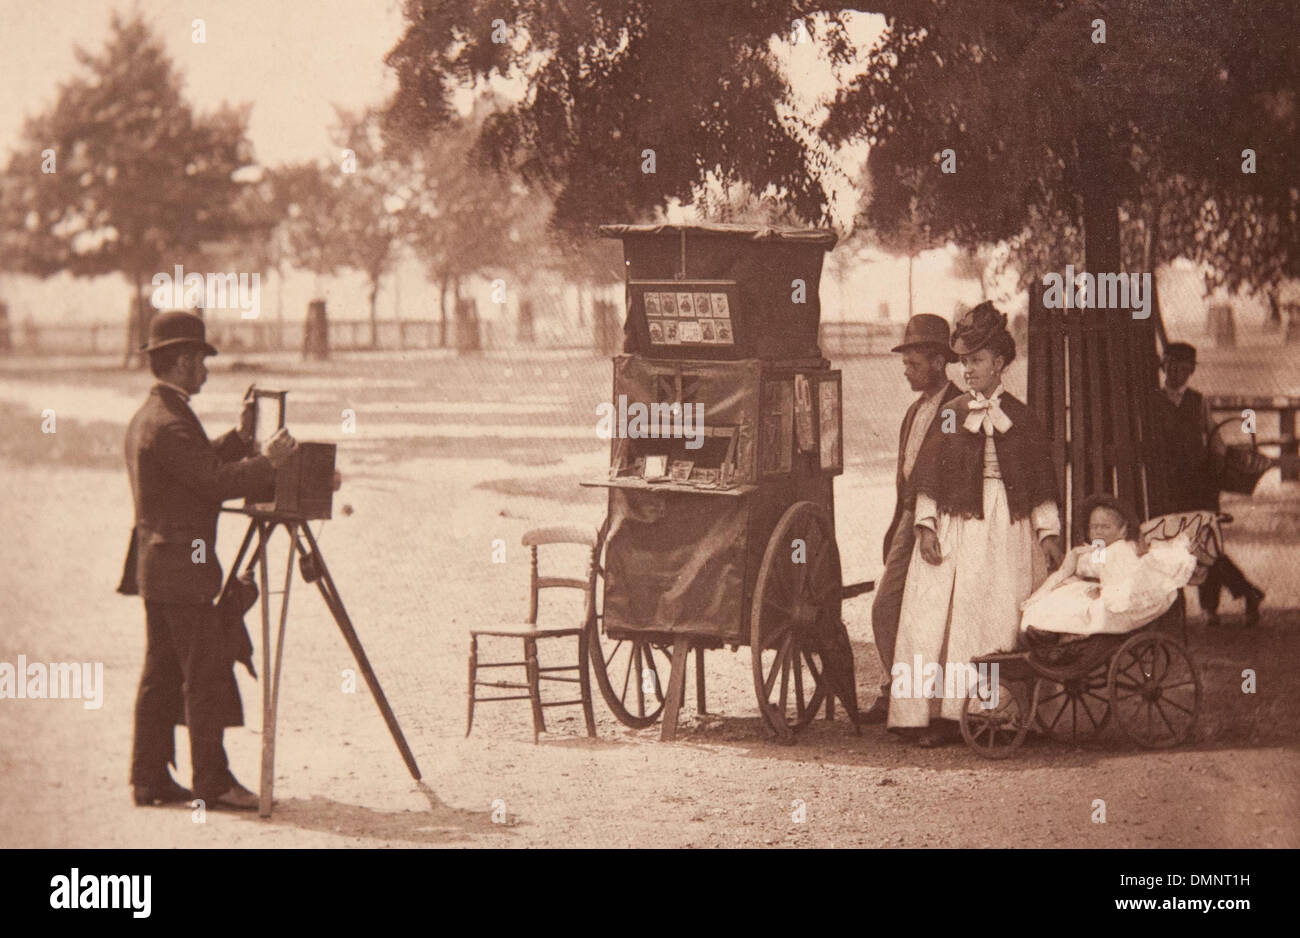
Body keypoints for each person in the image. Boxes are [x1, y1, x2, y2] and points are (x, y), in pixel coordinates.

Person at [117, 311, 298, 809]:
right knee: (205, 671)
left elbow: (195, 466)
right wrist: (269, 463)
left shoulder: (154, 415)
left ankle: (149, 778)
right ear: (178, 362)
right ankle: (213, 782)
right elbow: (213, 483)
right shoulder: (171, 422)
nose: (205, 370)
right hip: (183, 570)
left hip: (158, 568)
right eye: (199, 360)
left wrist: (239, 439)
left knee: (161, 672)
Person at [887, 302, 1064, 746]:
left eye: (978, 361)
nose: (969, 370)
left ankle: (996, 712)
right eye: (964, 362)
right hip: (957, 524)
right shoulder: (952, 412)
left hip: (1005, 528)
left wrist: (1048, 533)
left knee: (994, 613)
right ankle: (940, 715)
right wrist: (926, 524)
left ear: (999, 364)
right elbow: (929, 473)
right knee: (936, 612)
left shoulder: (1021, 418)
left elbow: (1040, 482)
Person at [863, 314, 962, 723]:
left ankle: (919, 702)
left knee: (896, 607)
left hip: (936, 517)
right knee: (892, 608)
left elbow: (952, 468)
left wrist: (929, 521)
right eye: (905, 364)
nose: (906, 372)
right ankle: (896, 691)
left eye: (914, 364)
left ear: (939, 362)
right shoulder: (914, 410)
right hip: (908, 514)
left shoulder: (955, 407)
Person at [1147, 342, 1263, 627]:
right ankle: (1246, 592)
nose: (1176, 373)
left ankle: (1211, 607)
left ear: (1192, 371)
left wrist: (1217, 469)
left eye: (1184, 368)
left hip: (1199, 483)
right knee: (1178, 545)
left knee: (1206, 546)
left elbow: (1216, 442)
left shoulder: (1198, 403)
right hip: (1168, 485)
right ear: (1163, 366)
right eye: (1171, 366)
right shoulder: (1153, 401)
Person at [1020, 494, 1196, 640]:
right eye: (1093, 527)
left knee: (1081, 606)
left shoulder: (1120, 550)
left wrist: (1103, 591)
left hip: (1120, 597)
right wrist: (1075, 565)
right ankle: (1051, 630)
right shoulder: (1101, 548)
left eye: (1105, 527)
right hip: (1104, 589)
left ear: (1122, 530)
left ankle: (1063, 632)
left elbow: (1125, 582)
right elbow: (1093, 568)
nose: (1098, 532)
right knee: (1062, 596)